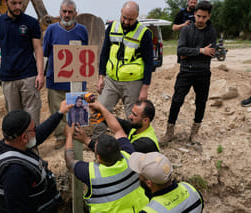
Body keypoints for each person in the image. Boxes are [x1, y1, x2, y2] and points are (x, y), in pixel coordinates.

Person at [0, 100, 73, 213]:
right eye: (34, 129)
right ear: (24, 137)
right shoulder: (14, 173)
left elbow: (39, 134)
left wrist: (60, 113)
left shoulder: (10, 144)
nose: (36, 131)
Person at [65, 100, 149, 213]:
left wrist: (69, 135)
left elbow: (69, 162)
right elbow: (118, 130)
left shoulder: (92, 174)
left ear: (98, 158)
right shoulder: (130, 157)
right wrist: (102, 108)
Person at [160, 1, 217, 151]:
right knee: (177, 101)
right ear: (195, 14)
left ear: (208, 16)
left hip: (203, 72)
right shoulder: (186, 30)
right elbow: (180, 51)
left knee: (201, 103)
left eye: (204, 17)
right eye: (198, 16)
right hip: (185, 72)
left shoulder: (211, 32)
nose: (200, 20)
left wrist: (190, 53)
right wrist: (200, 51)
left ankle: (194, 133)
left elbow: (210, 54)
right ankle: (169, 132)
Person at [93, 1, 153, 140]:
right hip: (111, 80)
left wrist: (145, 87)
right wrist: (101, 77)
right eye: (124, 17)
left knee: (133, 117)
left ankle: (133, 143)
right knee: (100, 110)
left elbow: (148, 62)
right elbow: (104, 54)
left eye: (130, 19)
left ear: (137, 16)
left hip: (133, 83)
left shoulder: (144, 33)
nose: (126, 21)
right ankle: (96, 142)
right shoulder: (112, 27)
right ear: (121, 12)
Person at [0, 0, 44, 126]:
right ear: (5, 2)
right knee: (14, 119)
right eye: (14, 3)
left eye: (20, 3)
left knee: (32, 117)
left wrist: (40, 74)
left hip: (29, 76)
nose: (18, 7)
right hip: (8, 78)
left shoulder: (31, 22)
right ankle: (17, 146)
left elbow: (38, 48)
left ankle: (32, 145)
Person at [43, 0, 88, 149]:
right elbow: (45, 54)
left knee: (77, 108)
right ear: (60, 12)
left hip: (76, 80)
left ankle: (77, 135)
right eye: (64, 11)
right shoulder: (51, 30)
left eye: (70, 12)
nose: (67, 15)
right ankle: (60, 137)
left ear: (75, 13)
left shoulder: (82, 30)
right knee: (57, 110)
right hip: (55, 80)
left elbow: (85, 55)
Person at [74, 100, 160, 154]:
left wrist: (87, 140)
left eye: (134, 115)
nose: (130, 116)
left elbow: (112, 153)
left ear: (145, 120)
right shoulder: (139, 127)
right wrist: (99, 112)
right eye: (131, 113)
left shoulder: (145, 143)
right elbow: (119, 122)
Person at [129, 152, 204, 212]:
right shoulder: (192, 190)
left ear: (149, 183)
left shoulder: (150, 210)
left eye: (140, 175)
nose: (139, 176)